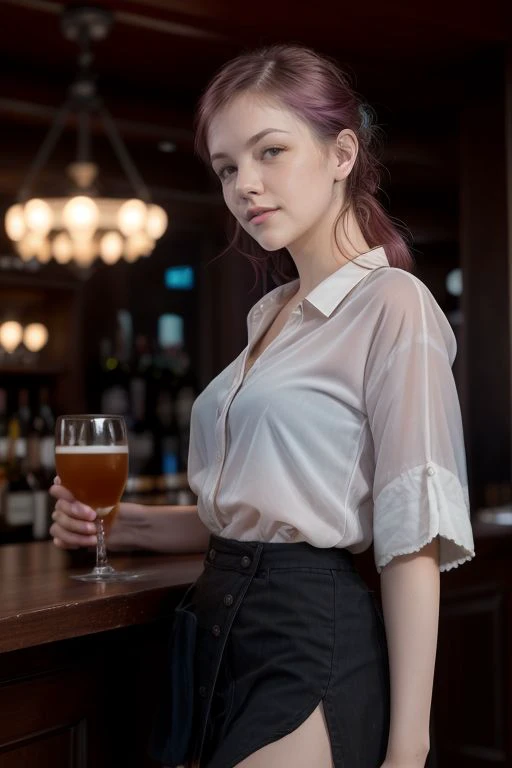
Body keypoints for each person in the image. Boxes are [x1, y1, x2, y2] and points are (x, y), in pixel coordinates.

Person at [50, 44, 475, 768]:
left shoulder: (393, 303)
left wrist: (410, 749)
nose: (245, 184)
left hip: (309, 643)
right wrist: (120, 523)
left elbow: (411, 536)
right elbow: (260, 512)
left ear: (342, 153)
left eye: (269, 151)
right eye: (226, 168)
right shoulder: (270, 317)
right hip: (216, 637)